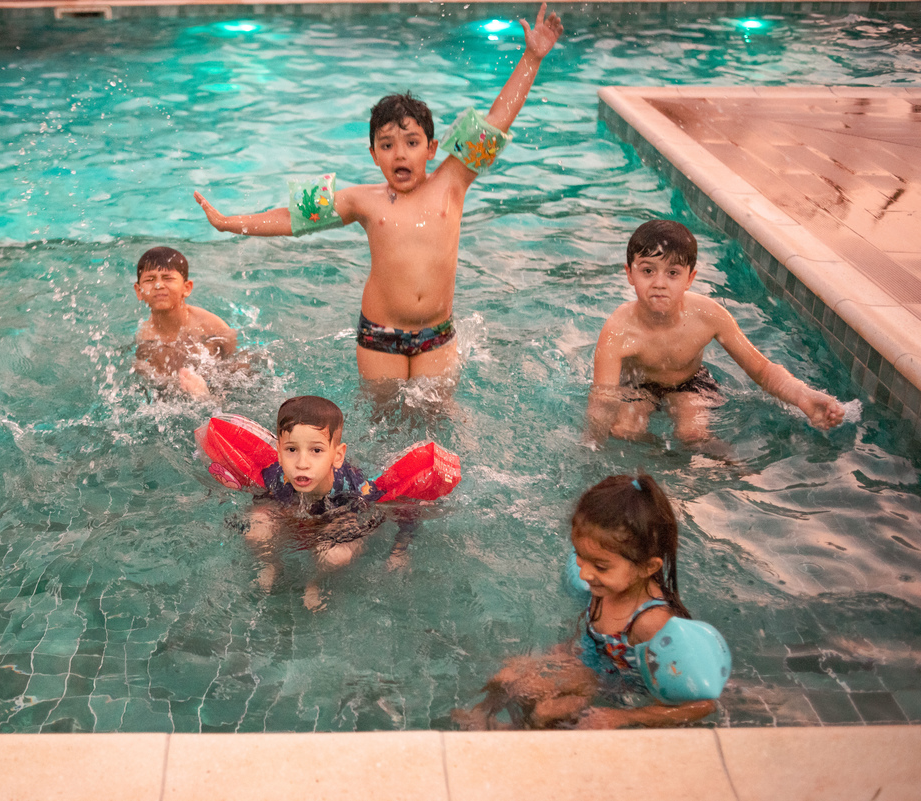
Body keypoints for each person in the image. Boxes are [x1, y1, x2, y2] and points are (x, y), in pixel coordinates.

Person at [194, 5, 563, 388]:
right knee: (382, 423)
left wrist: (532, 58)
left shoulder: (453, 181)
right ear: (373, 154)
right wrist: (228, 224)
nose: (400, 154)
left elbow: (497, 119)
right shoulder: (361, 200)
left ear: (433, 148)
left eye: (412, 143)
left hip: (436, 334)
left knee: (437, 420)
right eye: (386, 145)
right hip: (379, 335)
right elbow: (292, 217)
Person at [454, 474, 721, 729]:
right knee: (507, 675)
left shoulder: (651, 623)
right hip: (592, 667)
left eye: (600, 566)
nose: (585, 574)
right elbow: (593, 637)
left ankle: (519, 734)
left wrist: (622, 718)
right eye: (581, 558)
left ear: (646, 567)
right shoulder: (608, 586)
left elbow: (702, 705)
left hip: (616, 688)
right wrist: (564, 651)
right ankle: (481, 716)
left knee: (548, 710)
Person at [586, 219, 845, 447]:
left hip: (690, 384)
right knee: (623, 430)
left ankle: (734, 469)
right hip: (638, 386)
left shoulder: (709, 315)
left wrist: (803, 396)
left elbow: (762, 371)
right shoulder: (617, 330)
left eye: (673, 273)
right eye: (647, 271)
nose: (659, 283)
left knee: (692, 434)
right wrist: (591, 442)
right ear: (629, 273)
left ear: (690, 278)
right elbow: (603, 398)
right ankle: (659, 463)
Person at [244, 395, 410, 610]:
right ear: (279, 452)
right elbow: (262, 500)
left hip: (338, 517)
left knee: (335, 555)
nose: (302, 464)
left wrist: (400, 550)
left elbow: (401, 508)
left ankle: (318, 581)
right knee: (255, 526)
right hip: (296, 514)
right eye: (292, 450)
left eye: (316, 450)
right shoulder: (276, 475)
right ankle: (272, 564)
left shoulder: (353, 487)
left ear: (338, 455)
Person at [132, 246, 237, 399]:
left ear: (187, 288)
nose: (159, 285)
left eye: (168, 278)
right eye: (150, 279)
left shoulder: (213, 328)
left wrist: (204, 395)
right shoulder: (145, 340)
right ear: (139, 291)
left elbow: (239, 374)